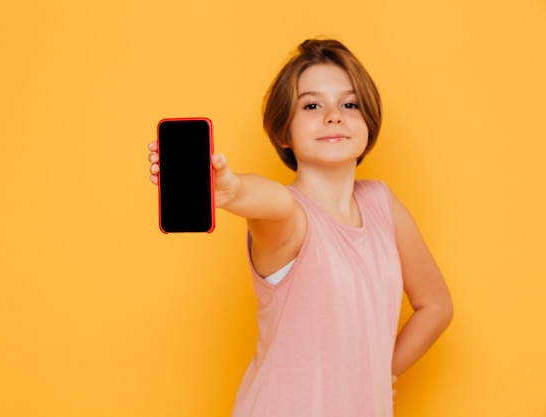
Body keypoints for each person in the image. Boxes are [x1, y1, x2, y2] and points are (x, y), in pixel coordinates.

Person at [149, 38, 452, 417]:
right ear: (282, 131)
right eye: (312, 105)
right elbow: (273, 201)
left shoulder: (382, 203)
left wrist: (381, 370)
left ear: (368, 119)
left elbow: (436, 305)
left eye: (349, 103)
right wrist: (232, 189)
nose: (334, 115)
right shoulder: (287, 218)